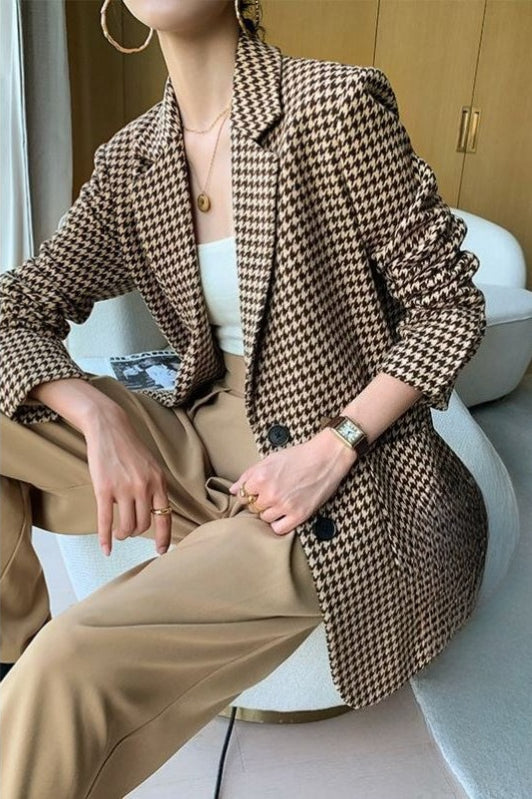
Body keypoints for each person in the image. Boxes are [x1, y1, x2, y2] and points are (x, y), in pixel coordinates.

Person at [0, 1, 490, 797]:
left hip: (349, 474)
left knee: (71, 662)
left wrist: (333, 446)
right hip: (203, 439)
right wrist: (96, 414)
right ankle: (7, 665)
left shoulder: (334, 107)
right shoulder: (131, 162)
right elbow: (12, 306)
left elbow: (450, 306)